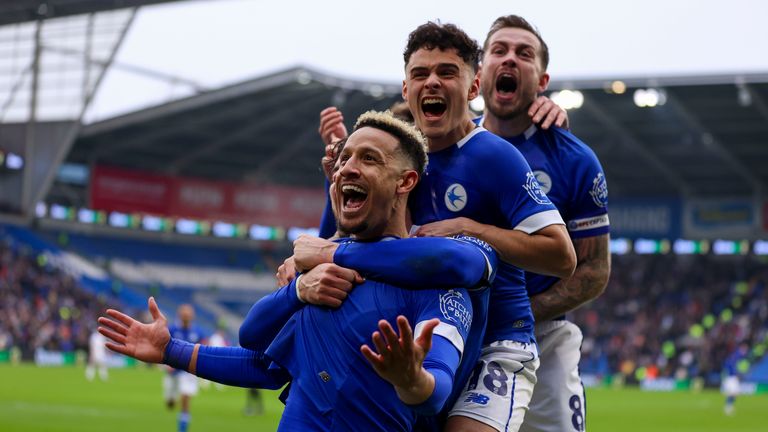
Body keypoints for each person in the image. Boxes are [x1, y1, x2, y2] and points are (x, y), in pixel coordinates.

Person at [98, 110, 499, 432]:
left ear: (405, 181)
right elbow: (266, 363)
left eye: (369, 159)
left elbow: (436, 389)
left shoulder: (437, 283)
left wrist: (411, 379)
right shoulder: (318, 274)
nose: (346, 169)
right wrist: (172, 350)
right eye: (344, 159)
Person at [307, 22, 576, 432]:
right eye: (420, 74)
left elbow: (562, 255)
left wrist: (473, 228)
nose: (432, 82)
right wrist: (339, 184)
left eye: (447, 73)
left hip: (495, 345)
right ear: (405, 89)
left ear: (472, 89)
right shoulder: (396, 161)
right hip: (422, 337)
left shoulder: (495, 157)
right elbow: (342, 241)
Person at [476, 16, 611, 432]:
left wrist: (518, 314)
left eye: (524, 53)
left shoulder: (574, 160)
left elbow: (594, 271)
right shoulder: (442, 147)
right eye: (499, 50)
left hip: (543, 338)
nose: (510, 59)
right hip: (458, 328)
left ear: (543, 79)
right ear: (478, 73)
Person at [164, 304, 204, 432]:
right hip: (173, 372)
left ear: (192, 316)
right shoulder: (172, 329)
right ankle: (172, 400)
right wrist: (167, 363)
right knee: (170, 403)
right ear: (179, 315)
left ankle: (182, 429)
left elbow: (203, 348)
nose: (186, 316)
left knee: (185, 398)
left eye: (189, 313)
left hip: (188, 372)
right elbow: (164, 347)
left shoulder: (198, 332)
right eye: (184, 313)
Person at [722, 343, 748, 416]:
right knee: (734, 393)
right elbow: (729, 364)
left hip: (731, 377)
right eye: (745, 349)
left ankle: (729, 406)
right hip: (731, 377)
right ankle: (728, 407)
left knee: (734, 393)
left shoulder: (737, 356)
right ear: (741, 348)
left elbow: (727, 363)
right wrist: (735, 372)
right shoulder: (737, 355)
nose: (745, 351)